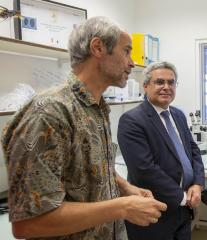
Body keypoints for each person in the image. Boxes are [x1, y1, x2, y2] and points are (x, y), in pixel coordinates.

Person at [1, 16, 167, 240]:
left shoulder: (96, 107)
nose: (132, 63)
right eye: (126, 51)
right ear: (98, 47)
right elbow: (29, 224)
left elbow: (89, 165)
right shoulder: (48, 113)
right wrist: (122, 207)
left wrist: (123, 186)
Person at [117, 61, 205, 240]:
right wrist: (182, 198)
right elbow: (144, 170)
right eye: (159, 82)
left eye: (171, 82)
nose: (166, 87)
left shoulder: (178, 114)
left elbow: (193, 150)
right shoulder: (132, 120)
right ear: (146, 86)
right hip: (154, 211)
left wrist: (197, 184)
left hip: (184, 210)